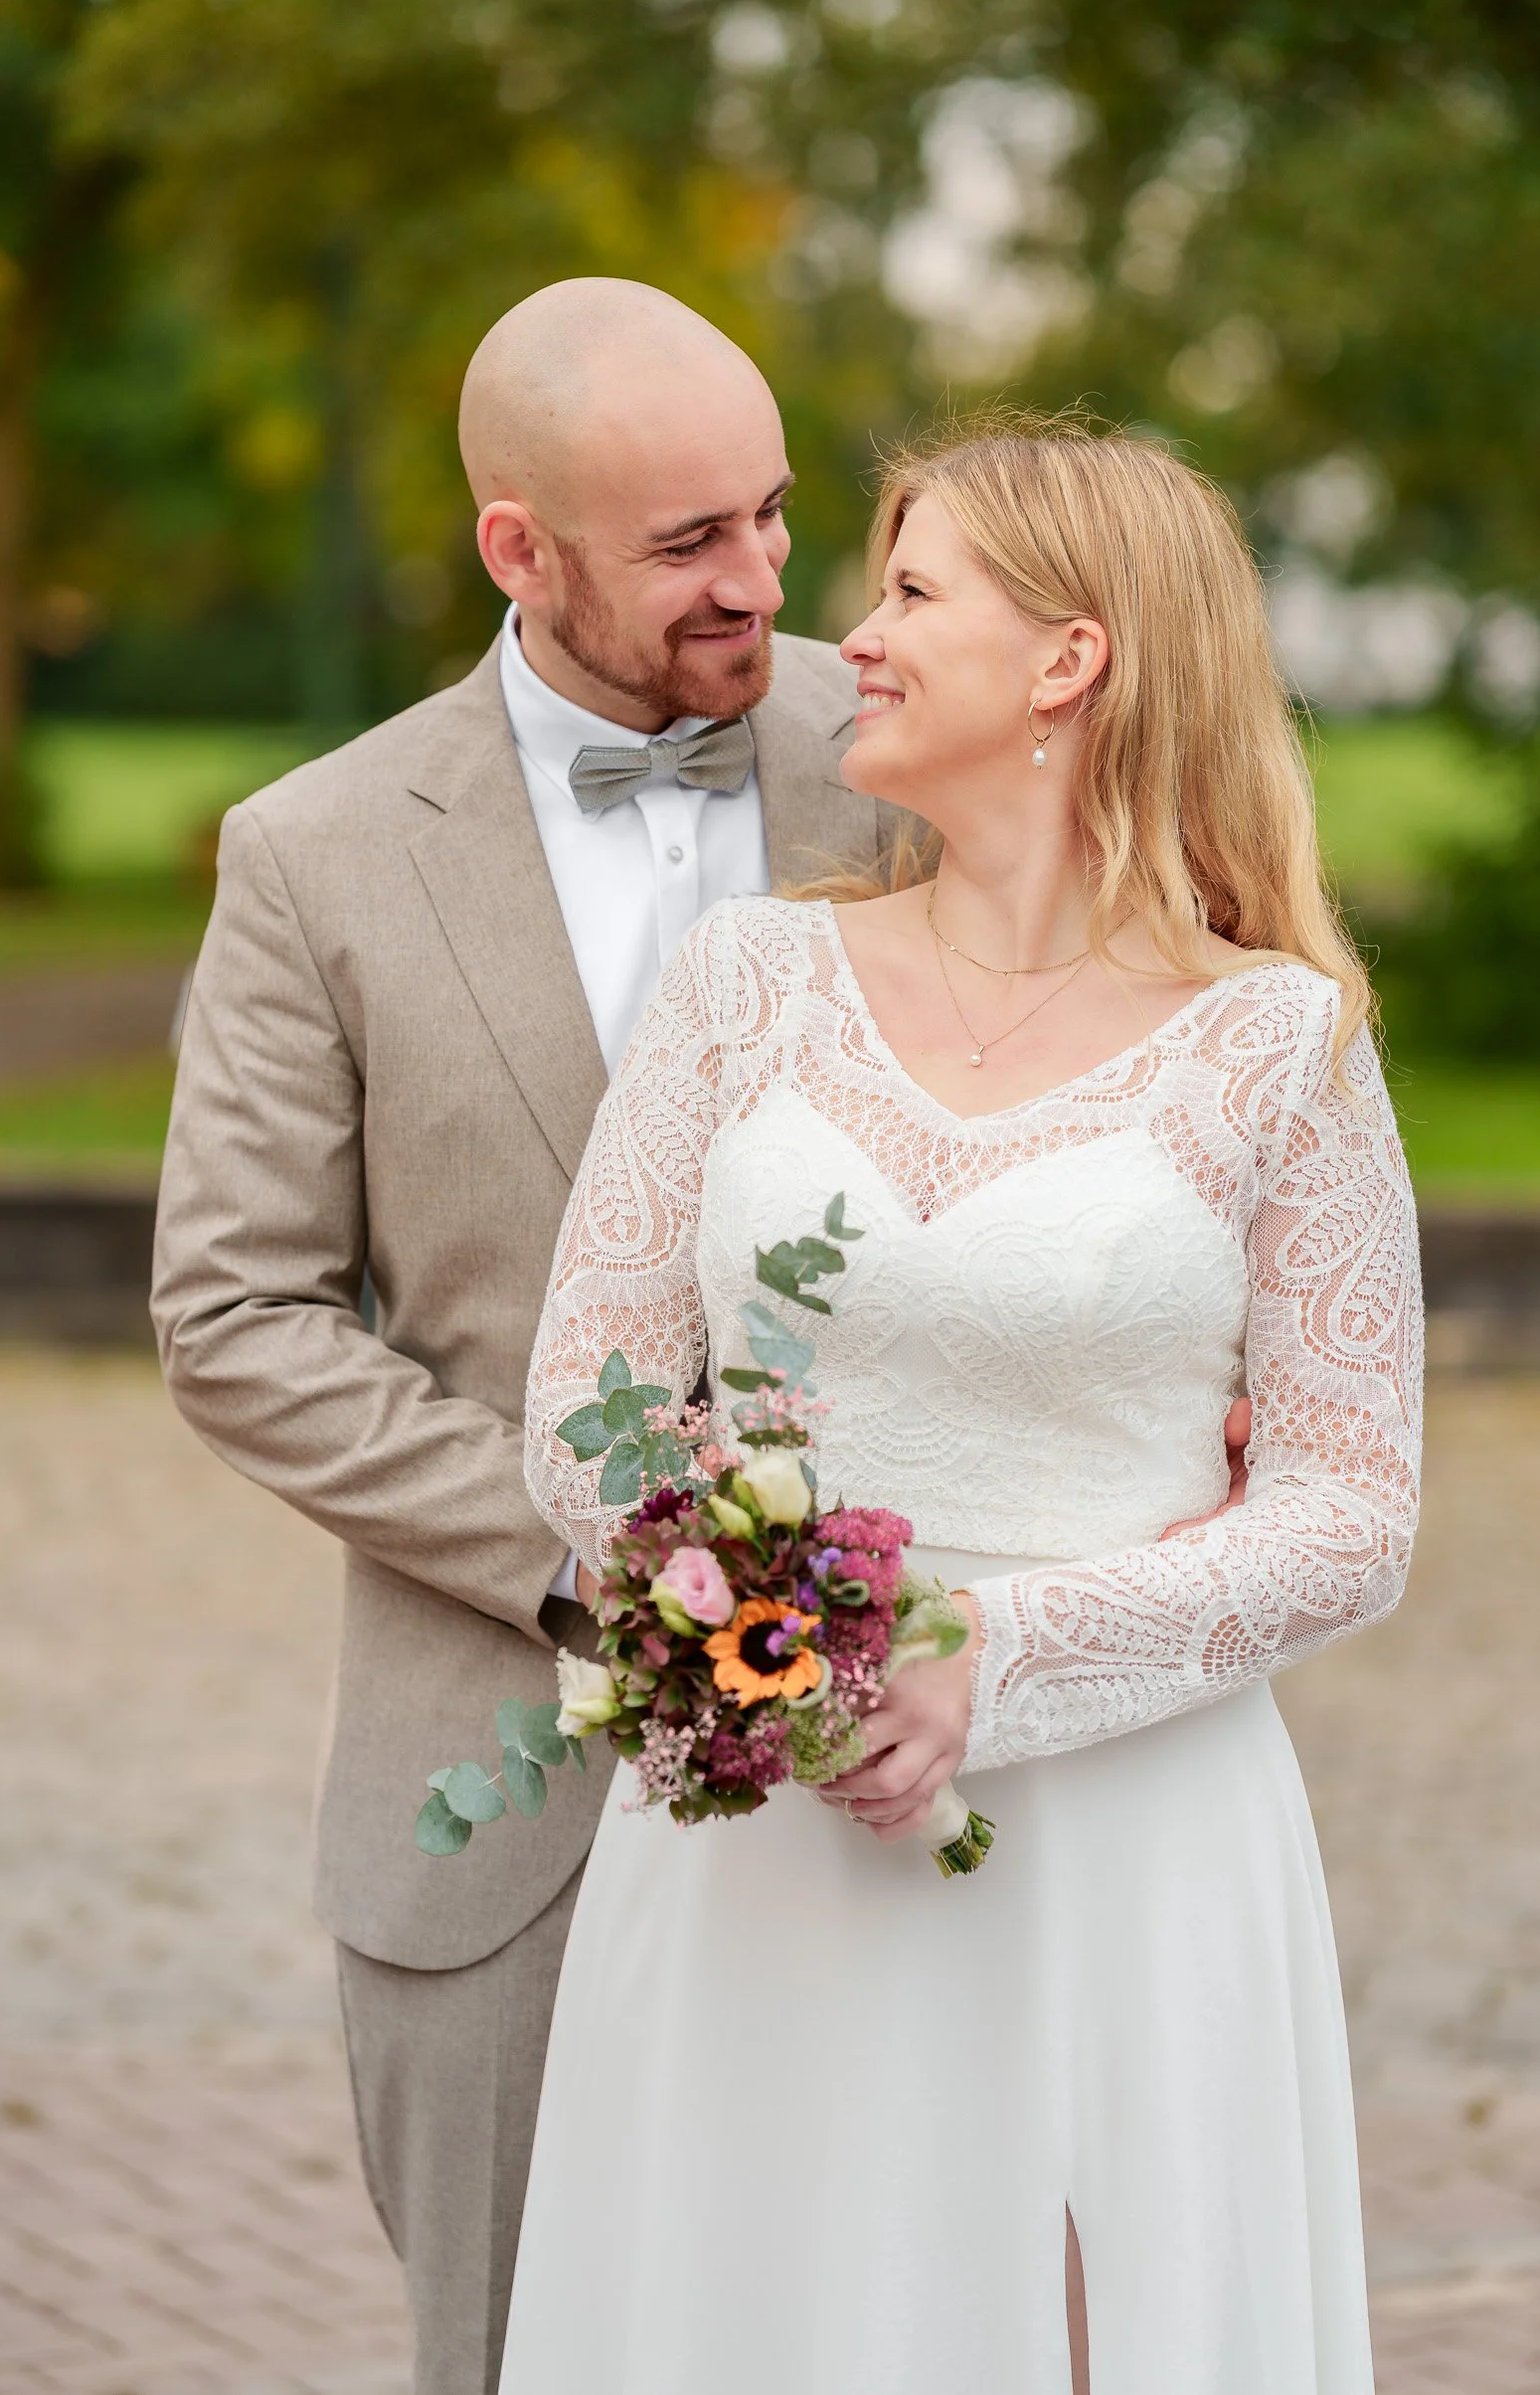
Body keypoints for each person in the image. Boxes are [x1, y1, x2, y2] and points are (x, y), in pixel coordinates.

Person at [503, 414, 1424, 2395]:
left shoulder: (1276, 1044)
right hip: (763, 1832)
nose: (856, 635)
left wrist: (975, 1655)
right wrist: (783, 1654)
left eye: (909, 590)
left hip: (1130, 1840)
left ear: (1068, 659)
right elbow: (587, 1392)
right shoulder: (741, 983)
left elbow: (1350, 1503)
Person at [149, 277, 906, 2395]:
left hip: (898, 1770)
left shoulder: (916, 758)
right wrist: (606, 1564)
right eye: (687, 543)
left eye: (769, 518)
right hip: (494, 1805)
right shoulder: (312, 856)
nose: (757, 584)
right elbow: (230, 1309)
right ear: (517, 547)